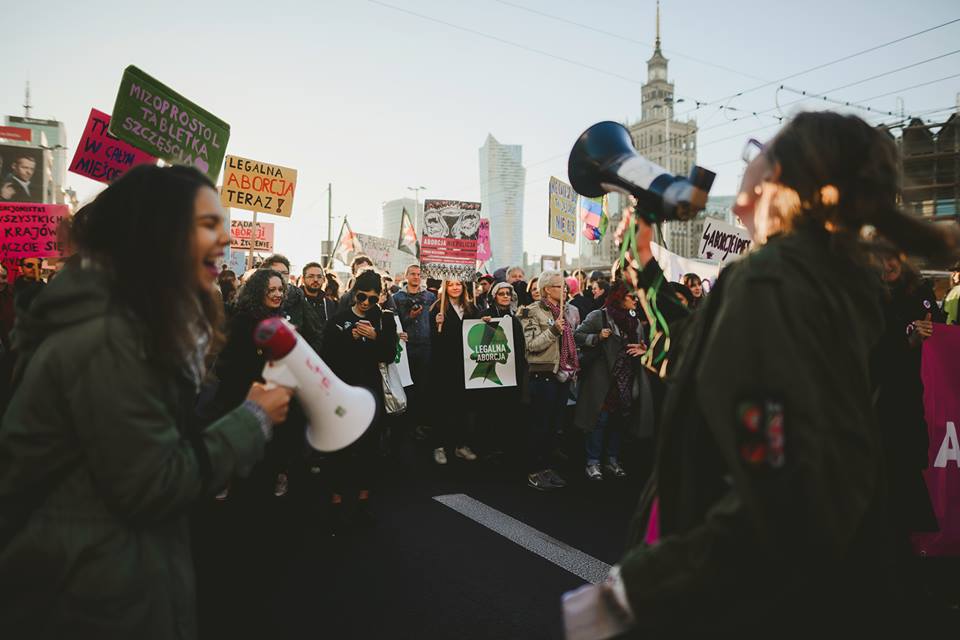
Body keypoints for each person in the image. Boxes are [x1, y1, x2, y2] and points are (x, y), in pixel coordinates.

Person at [589, 112, 958, 635]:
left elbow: (780, 489)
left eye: (757, 150)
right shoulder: (801, 274)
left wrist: (635, 590)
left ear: (779, 178)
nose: (747, 160)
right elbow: (703, 354)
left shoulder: (773, 282)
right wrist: (647, 268)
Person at [0, 164, 292, 639]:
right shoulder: (108, 336)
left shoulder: (127, 322)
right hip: (86, 601)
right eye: (206, 225)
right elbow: (150, 483)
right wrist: (252, 419)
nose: (223, 241)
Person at [322, 269, 398, 524]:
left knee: (369, 449)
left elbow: (389, 353)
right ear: (354, 294)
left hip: (371, 393)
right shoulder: (338, 319)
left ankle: (364, 501)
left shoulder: (384, 319)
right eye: (362, 297)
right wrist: (349, 337)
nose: (366, 303)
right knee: (340, 447)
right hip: (343, 391)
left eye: (373, 299)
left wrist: (375, 337)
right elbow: (327, 355)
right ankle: (336, 500)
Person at [211, 269, 295, 498]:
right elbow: (228, 366)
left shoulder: (281, 319)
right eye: (272, 290)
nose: (278, 294)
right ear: (258, 292)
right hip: (245, 402)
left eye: (281, 289)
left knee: (267, 467)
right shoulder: (242, 322)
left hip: (274, 401)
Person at [574, 282, 647, 481]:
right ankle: (593, 461)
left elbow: (641, 345)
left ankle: (612, 460)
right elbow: (577, 335)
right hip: (602, 377)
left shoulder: (635, 321)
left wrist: (644, 348)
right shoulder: (600, 316)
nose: (635, 300)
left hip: (626, 379)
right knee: (599, 420)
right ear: (619, 297)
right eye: (631, 296)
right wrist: (596, 337)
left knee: (619, 421)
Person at [519, 270, 580, 490]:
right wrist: (554, 330)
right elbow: (531, 346)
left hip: (562, 376)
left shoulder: (567, 311)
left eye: (564, 286)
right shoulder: (529, 311)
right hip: (542, 375)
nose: (563, 289)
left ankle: (547, 468)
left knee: (554, 427)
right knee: (540, 426)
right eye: (558, 286)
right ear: (546, 289)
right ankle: (534, 470)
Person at [429, 279, 480, 464]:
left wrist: (486, 321)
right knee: (443, 407)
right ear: (445, 287)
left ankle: (461, 445)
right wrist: (436, 325)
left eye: (459, 284)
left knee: (464, 407)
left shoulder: (472, 308)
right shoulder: (437, 308)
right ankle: (439, 446)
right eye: (451, 284)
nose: (455, 287)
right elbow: (432, 340)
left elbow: (478, 331)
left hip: (467, 365)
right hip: (444, 365)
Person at [477, 282, 528, 460]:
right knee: (490, 410)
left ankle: (506, 447)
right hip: (489, 373)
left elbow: (520, 346)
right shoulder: (484, 315)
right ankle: (489, 447)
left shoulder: (514, 319)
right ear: (494, 296)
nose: (505, 296)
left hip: (511, 373)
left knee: (508, 411)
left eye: (508, 293)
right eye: (501, 293)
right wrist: (480, 324)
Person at [393, 264, 437, 441]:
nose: (416, 277)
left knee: (423, 386)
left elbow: (434, 321)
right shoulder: (397, 297)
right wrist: (410, 316)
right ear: (406, 275)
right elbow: (395, 322)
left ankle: (419, 424)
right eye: (412, 274)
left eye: (419, 274)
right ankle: (406, 425)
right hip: (407, 347)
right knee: (407, 386)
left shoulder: (430, 296)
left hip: (426, 345)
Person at [262, 253, 322, 352]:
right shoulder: (254, 299)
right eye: (276, 272)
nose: (281, 276)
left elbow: (315, 334)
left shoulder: (297, 298)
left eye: (285, 273)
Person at [301, 261, 336, 350]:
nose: (315, 279)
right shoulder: (296, 301)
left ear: (324, 280)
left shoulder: (329, 304)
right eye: (311, 276)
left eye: (319, 276)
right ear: (303, 279)